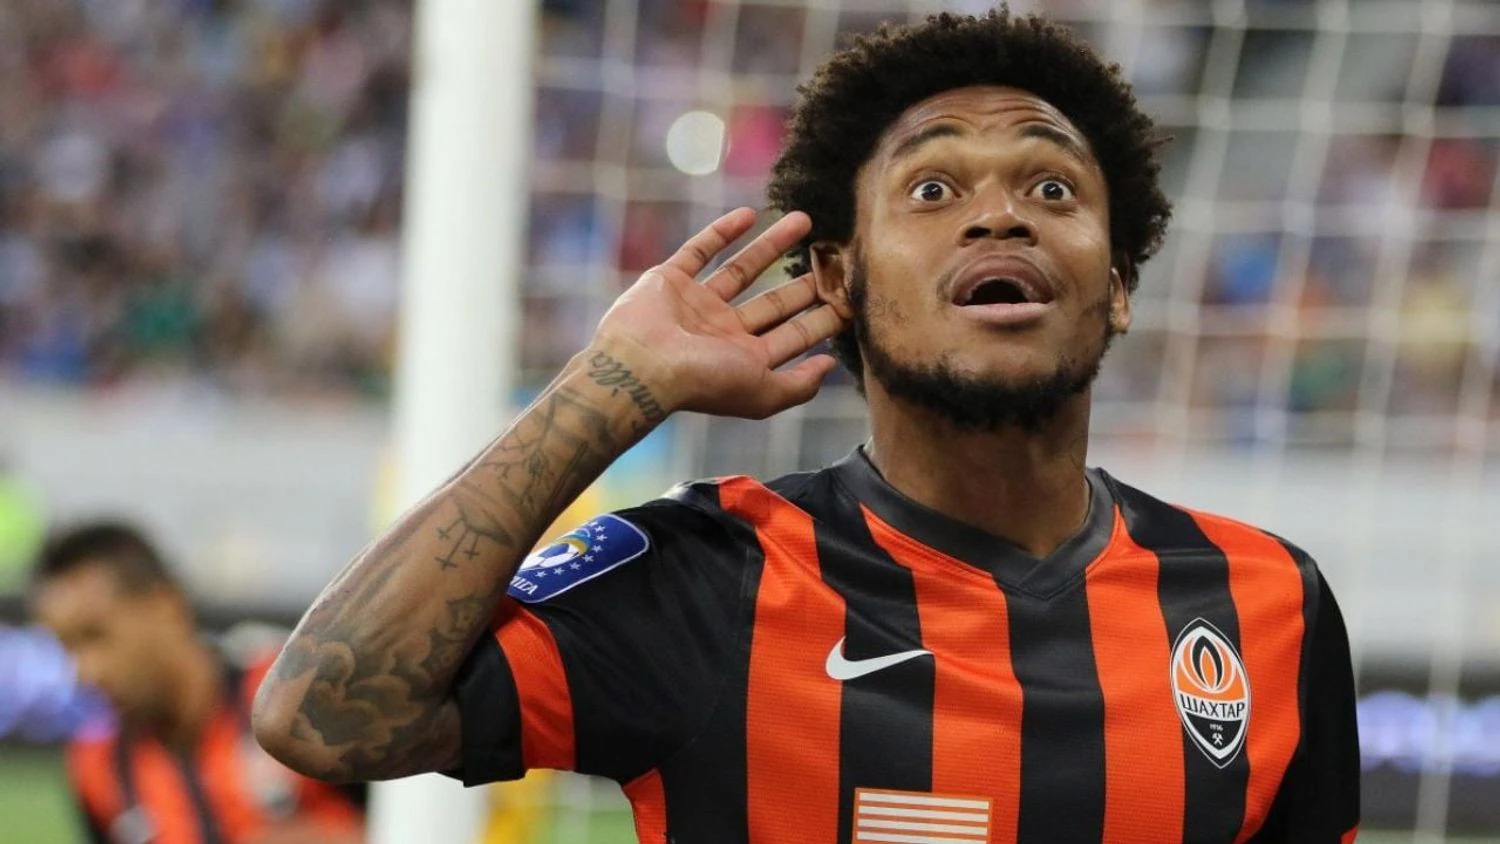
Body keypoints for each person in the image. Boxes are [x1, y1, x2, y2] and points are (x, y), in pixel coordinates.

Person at [253, 10, 1360, 843]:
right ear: (838, 277)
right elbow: (323, 719)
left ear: (1116, 285)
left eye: (1053, 190)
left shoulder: (1266, 602)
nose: (1000, 213)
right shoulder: (711, 577)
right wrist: (610, 387)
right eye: (933, 190)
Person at [30, 521, 365, 844]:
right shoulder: (97, 767)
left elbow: (395, 818)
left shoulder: (296, 695)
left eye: (95, 635)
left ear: (165, 605)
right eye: (66, 648)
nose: (85, 672)